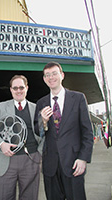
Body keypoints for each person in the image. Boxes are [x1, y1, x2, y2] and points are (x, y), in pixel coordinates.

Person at [34, 62, 94, 200]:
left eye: (54, 73)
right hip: (50, 165)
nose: (51, 77)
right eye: (47, 75)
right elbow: (37, 131)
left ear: (62, 75)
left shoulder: (78, 98)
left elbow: (87, 132)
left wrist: (83, 158)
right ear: (44, 79)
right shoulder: (41, 103)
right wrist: (43, 121)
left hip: (74, 163)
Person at [0, 75, 42, 200]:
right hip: (5, 160)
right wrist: (1, 144)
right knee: (4, 197)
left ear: (27, 88)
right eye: (15, 88)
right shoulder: (1, 107)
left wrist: (39, 154)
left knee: (30, 197)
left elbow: (45, 133)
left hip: (31, 160)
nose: (18, 91)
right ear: (11, 90)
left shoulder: (36, 108)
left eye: (21, 87)